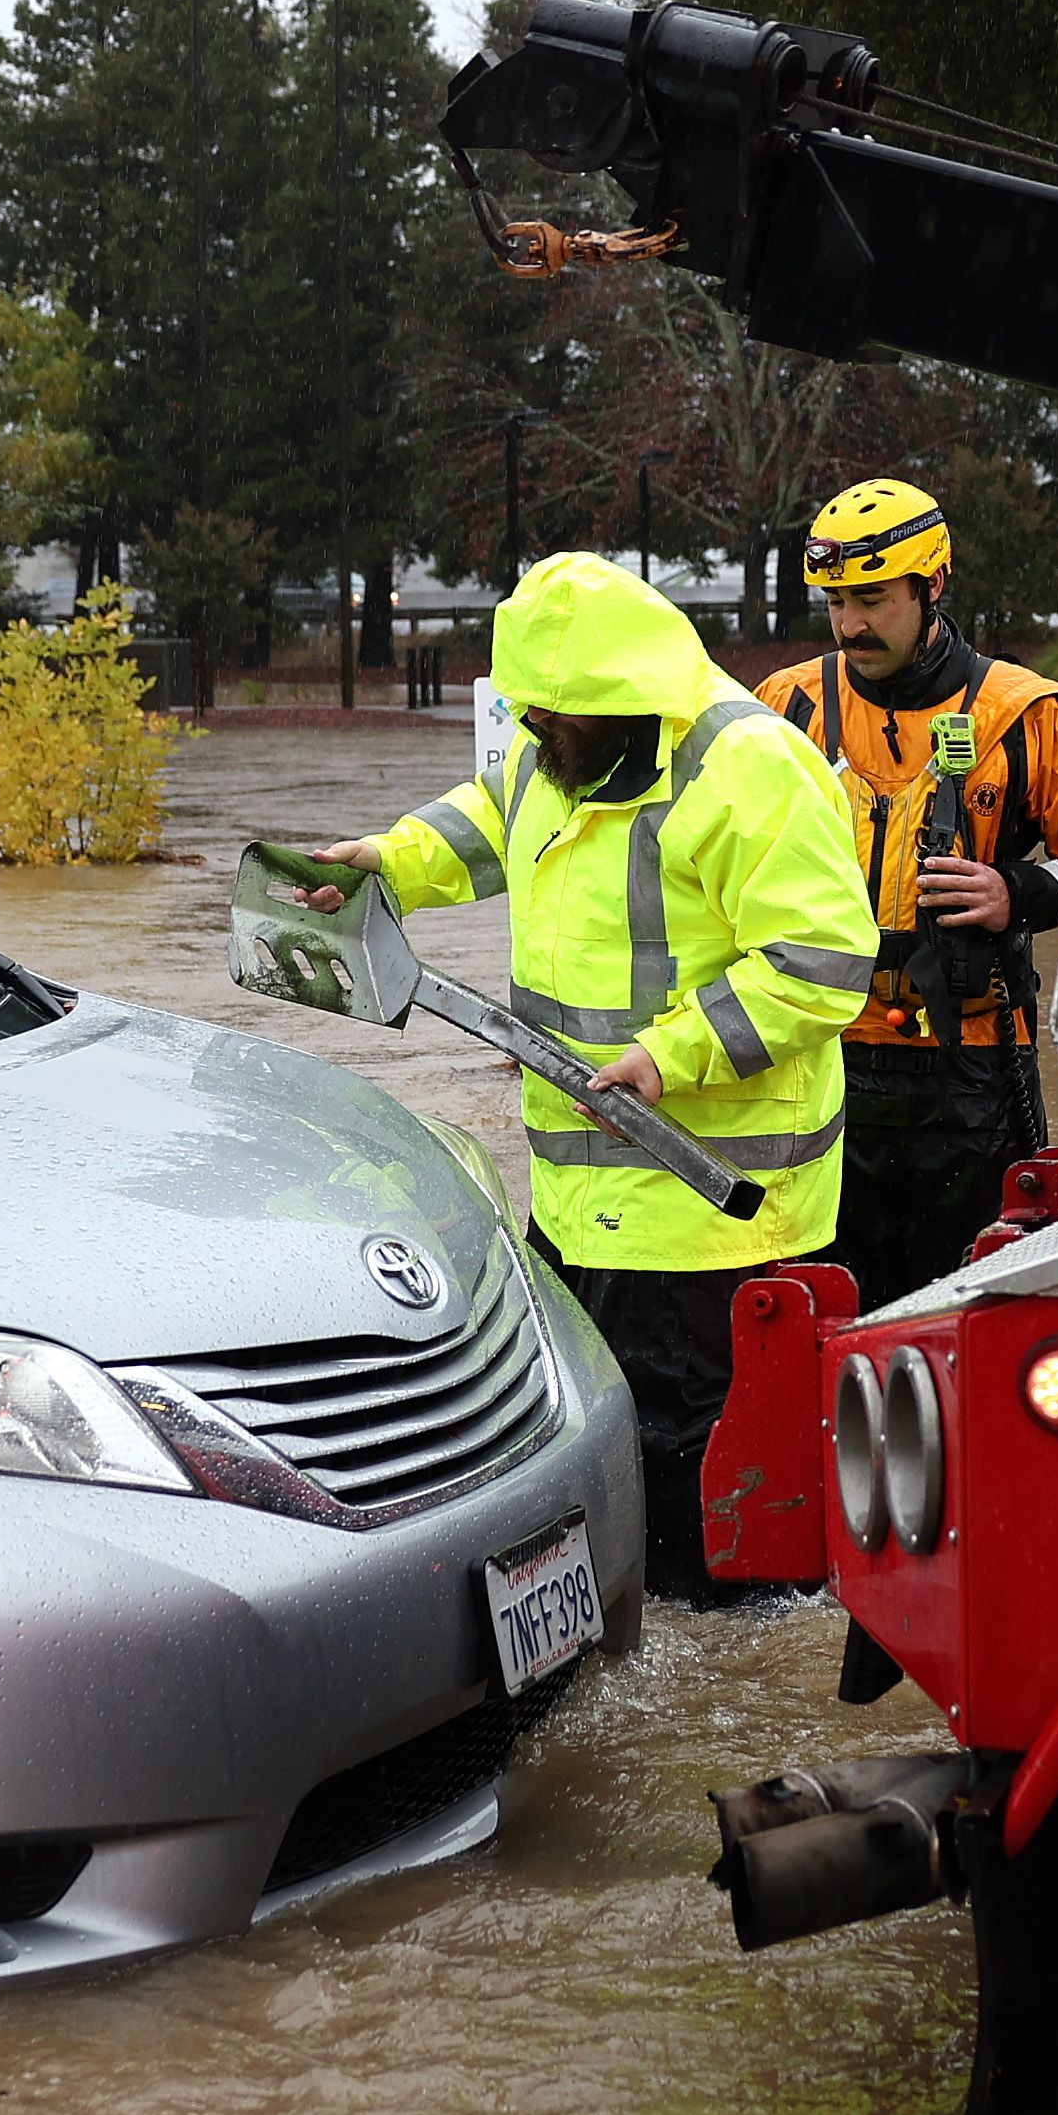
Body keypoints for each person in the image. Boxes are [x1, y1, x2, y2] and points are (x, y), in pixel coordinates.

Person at [312, 549, 878, 1600]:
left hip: (715, 1212)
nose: (528, 735)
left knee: (699, 1517)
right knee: (588, 1462)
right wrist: (385, 858)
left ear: (618, 700)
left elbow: (823, 962)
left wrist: (667, 1057)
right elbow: (487, 818)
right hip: (580, 1204)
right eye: (523, 714)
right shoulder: (563, 751)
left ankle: (710, 1704)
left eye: (547, 717)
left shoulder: (748, 767)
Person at [759, 472, 1058, 1301]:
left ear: (933, 583)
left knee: (977, 1304)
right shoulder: (783, 707)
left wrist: (1021, 892)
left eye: (872, 598)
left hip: (972, 1070)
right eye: (835, 600)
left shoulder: (1026, 712)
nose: (849, 625)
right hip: (820, 1062)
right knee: (824, 1306)